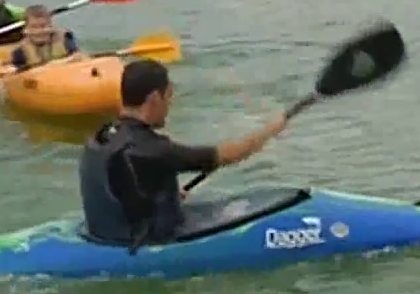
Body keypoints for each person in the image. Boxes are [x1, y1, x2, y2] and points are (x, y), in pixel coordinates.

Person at [78, 59, 288, 247]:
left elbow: (117, 179)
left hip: (103, 232)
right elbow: (230, 155)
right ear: (154, 99)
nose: (170, 105)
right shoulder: (155, 149)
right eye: (168, 97)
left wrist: (159, 196)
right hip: (138, 240)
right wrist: (272, 130)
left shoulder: (102, 133)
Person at [6, 4, 83, 72]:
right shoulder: (20, 51)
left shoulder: (65, 39)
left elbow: (77, 56)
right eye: (33, 27)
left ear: (51, 26)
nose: (39, 31)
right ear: (25, 30)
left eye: (43, 26)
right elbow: (17, 70)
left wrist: (53, 65)